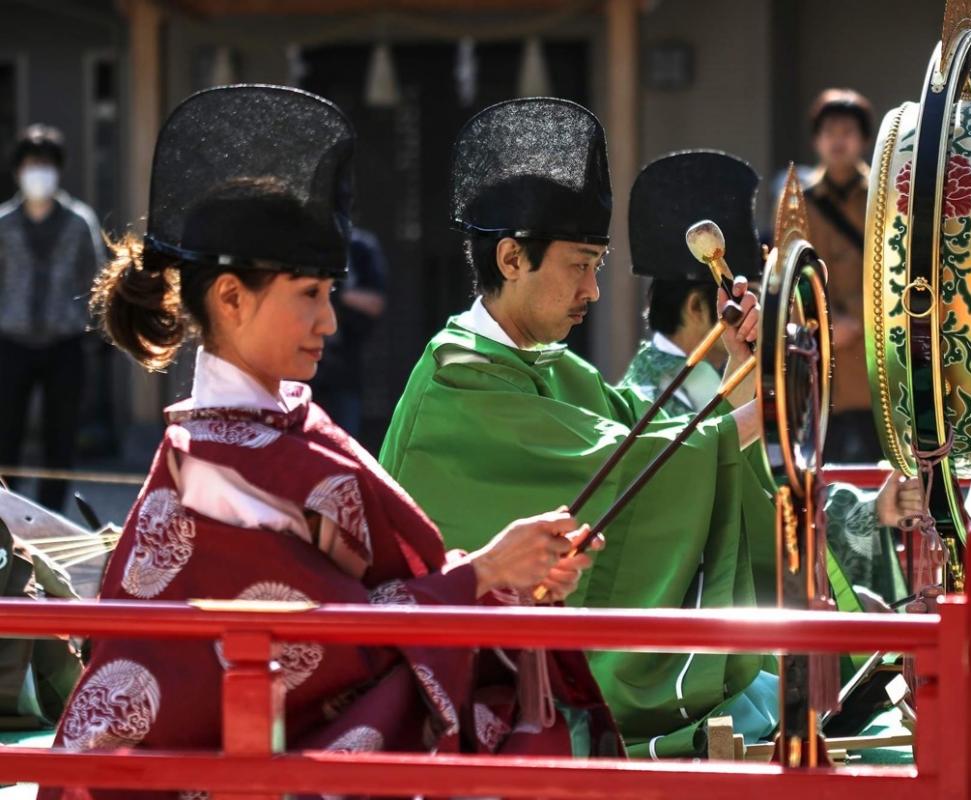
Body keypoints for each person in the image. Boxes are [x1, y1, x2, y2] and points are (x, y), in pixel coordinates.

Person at [41, 86, 619, 800]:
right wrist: (482, 575)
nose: (329, 322)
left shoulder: (279, 430)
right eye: (307, 295)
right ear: (230, 299)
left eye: (329, 294)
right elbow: (322, 647)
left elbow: (367, 606)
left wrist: (499, 576)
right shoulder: (220, 463)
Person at [379, 98, 778, 760]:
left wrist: (740, 367)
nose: (593, 290)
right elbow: (627, 466)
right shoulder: (456, 380)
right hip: (468, 702)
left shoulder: (548, 364)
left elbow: (651, 435)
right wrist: (767, 410)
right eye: (580, 265)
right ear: (511, 259)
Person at [619, 150, 918, 604]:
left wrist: (871, 510)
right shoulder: (645, 404)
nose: (759, 315)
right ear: (699, 308)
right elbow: (756, 507)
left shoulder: (715, 377)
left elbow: (775, 491)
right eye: (750, 301)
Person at [0, 125, 106, 510]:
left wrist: (96, 332)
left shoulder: (79, 222)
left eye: (45, 164)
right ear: (17, 171)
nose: (37, 172)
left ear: (58, 169)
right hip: (10, 341)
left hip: (65, 342)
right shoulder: (4, 223)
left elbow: (96, 280)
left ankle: (49, 518)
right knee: (6, 433)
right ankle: (5, 521)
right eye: (31, 164)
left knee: (59, 435)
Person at [620, 150, 762, 417]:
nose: (755, 309)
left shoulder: (698, 378)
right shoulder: (652, 397)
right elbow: (718, 452)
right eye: (746, 296)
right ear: (696, 306)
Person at [803, 89, 879, 464]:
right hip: (821, 359)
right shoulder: (799, 202)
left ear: (864, 139)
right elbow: (790, 276)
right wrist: (828, 322)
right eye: (829, 130)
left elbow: (899, 268)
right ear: (816, 139)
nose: (838, 139)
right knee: (821, 476)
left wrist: (860, 320)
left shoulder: (887, 197)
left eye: (848, 130)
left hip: (878, 359)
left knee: (885, 472)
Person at [308, 225, 388, 437]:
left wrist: (338, 293)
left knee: (345, 441)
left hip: (345, 367)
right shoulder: (304, 242)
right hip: (304, 373)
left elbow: (376, 302)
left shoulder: (360, 246)